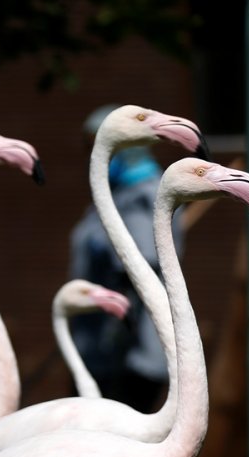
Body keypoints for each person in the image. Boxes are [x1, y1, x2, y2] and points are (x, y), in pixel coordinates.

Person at [68, 104, 185, 412]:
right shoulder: (117, 193)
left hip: (125, 359)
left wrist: (116, 335)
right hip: (99, 353)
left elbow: (137, 268)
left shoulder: (144, 195)